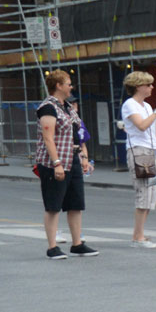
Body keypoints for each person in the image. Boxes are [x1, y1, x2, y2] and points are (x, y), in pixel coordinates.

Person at [35, 70, 97, 259]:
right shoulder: (48, 108)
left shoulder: (68, 107)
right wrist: (57, 164)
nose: (71, 87)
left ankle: (77, 244)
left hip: (73, 159)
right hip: (55, 162)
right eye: (68, 84)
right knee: (53, 205)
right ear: (58, 86)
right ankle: (52, 247)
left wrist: (83, 157)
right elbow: (48, 138)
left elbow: (78, 135)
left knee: (75, 204)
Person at [121, 71, 156, 248]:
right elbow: (142, 126)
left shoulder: (147, 106)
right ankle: (137, 237)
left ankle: (140, 233)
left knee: (150, 194)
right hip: (138, 150)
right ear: (138, 86)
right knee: (143, 193)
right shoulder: (130, 104)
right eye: (148, 84)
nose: (151, 87)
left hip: (150, 150)